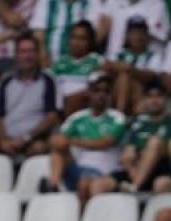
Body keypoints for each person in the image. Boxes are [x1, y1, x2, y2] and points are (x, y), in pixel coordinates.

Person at [0, 33, 59, 159]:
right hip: (7, 137)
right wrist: (3, 140)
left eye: (31, 51)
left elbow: (52, 117)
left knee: (39, 148)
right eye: (22, 51)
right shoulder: (6, 81)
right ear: (16, 55)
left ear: (38, 55)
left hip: (34, 138)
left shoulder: (48, 80)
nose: (27, 56)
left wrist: (26, 138)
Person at [43, 73, 127, 205]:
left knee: (84, 182)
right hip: (78, 170)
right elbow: (56, 140)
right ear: (88, 93)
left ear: (111, 95)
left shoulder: (117, 117)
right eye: (96, 90)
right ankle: (53, 185)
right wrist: (61, 141)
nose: (101, 95)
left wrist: (72, 141)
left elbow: (106, 142)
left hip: (103, 173)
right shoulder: (77, 118)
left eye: (106, 91)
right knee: (58, 149)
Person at [88, 78, 171, 195]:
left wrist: (147, 152)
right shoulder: (136, 125)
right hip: (134, 171)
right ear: (144, 100)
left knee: (154, 143)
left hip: (160, 171)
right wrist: (131, 164)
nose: (154, 100)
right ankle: (135, 186)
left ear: (165, 99)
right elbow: (126, 158)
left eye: (158, 96)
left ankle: (135, 186)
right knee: (99, 184)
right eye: (150, 96)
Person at [105, 15, 164, 114]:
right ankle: (119, 113)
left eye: (141, 33)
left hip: (141, 93)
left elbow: (151, 76)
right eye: (134, 33)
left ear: (147, 35)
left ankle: (120, 115)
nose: (138, 37)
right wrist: (121, 68)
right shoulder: (119, 54)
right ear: (127, 36)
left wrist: (130, 69)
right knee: (121, 78)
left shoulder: (153, 56)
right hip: (116, 90)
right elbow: (106, 67)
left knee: (125, 77)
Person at [49, 19, 102, 117]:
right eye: (74, 37)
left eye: (82, 39)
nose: (77, 42)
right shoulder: (58, 63)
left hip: (86, 109)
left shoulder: (97, 61)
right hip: (60, 108)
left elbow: (98, 90)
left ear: (90, 42)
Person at [30, 0, 100, 68]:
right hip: (50, 61)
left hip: (81, 63)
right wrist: (43, 56)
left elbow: (92, 34)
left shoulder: (91, 2)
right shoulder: (46, 2)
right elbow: (38, 32)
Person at [100, 0, 170, 60]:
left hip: (145, 65)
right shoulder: (114, 2)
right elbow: (101, 28)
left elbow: (151, 37)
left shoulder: (156, 4)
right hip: (113, 60)